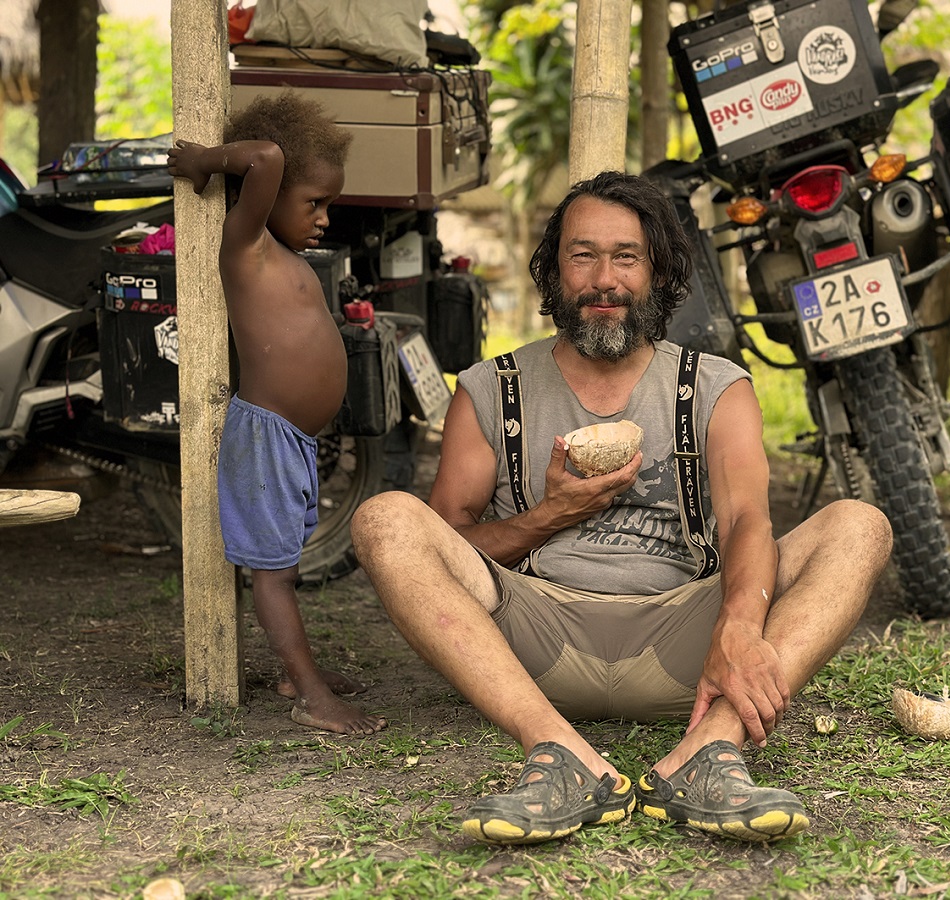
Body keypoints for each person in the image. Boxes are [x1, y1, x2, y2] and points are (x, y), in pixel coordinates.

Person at [351, 171, 892, 843]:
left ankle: (708, 752)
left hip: (689, 649)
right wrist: (549, 515)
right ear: (553, 270)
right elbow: (446, 544)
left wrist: (741, 625)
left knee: (860, 526)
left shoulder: (716, 388)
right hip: (532, 648)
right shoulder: (493, 389)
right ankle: (559, 752)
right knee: (383, 519)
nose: (603, 279)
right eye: (582, 256)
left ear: (658, 272)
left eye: (625, 257)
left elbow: (748, 519)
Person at [168, 92, 384, 736]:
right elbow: (263, 155)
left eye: (329, 205)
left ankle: (295, 672)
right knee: (275, 573)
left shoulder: (286, 258)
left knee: (284, 563)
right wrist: (207, 160)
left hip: (289, 439)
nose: (323, 218)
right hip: (263, 436)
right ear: (269, 195)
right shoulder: (248, 243)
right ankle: (311, 694)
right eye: (313, 202)